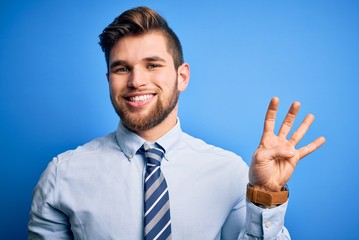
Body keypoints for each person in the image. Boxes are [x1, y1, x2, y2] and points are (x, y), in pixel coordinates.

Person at [28, 6, 325, 240]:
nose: (136, 81)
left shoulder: (231, 173)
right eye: (122, 68)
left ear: (181, 76)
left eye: (152, 65)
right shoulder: (61, 176)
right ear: (109, 80)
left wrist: (266, 197)